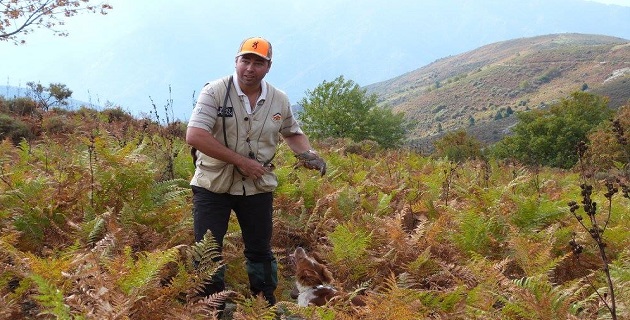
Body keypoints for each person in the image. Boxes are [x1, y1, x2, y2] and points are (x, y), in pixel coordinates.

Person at [186, 36, 326, 306]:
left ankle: (264, 303)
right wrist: (240, 161)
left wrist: (308, 154)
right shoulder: (214, 92)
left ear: (268, 67)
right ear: (236, 62)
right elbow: (195, 135)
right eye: (245, 61)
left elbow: (292, 132)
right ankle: (212, 306)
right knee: (208, 250)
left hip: (256, 187)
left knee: (260, 250)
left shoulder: (278, 99)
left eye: (258, 63)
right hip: (211, 184)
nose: (250, 68)